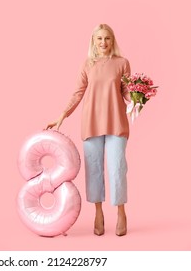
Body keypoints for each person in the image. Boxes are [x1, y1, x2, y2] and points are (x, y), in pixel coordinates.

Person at [46, 24, 131, 236]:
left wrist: (139, 98)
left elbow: (127, 92)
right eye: (99, 39)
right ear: (93, 41)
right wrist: (62, 115)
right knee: (94, 170)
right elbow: (77, 94)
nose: (103, 43)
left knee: (117, 168)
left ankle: (121, 212)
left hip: (116, 123)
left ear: (113, 41)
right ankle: (98, 212)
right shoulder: (87, 64)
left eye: (107, 39)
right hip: (91, 123)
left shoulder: (122, 63)